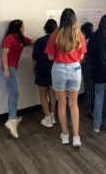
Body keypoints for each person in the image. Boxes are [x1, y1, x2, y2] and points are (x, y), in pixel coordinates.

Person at [45, 8, 86, 146]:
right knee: (73, 104)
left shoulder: (55, 35)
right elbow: (81, 56)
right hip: (75, 68)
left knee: (61, 104)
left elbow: (50, 56)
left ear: (61, 19)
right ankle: (76, 137)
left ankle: (65, 135)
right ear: (74, 19)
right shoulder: (79, 35)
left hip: (59, 69)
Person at [0, 19, 32, 138]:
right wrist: (6, 70)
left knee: (14, 93)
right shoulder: (10, 38)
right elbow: (4, 55)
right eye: (23, 26)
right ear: (18, 28)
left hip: (13, 68)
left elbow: (33, 42)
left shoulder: (21, 38)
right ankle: (12, 121)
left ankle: (12, 117)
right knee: (15, 93)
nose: (24, 28)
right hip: (8, 67)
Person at [32, 19, 57, 128]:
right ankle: (52, 116)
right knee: (52, 94)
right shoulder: (58, 40)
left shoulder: (40, 41)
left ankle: (47, 119)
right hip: (55, 70)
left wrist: (33, 68)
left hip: (42, 70)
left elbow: (35, 58)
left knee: (43, 95)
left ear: (45, 28)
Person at [81, 22, 95, 117]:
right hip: (95, 66)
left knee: (88, 87)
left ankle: (91, 110)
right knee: (93, 87)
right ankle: (93, 109)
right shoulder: (95, 39)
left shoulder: (84, 41)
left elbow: (82, 56)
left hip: (87, 65)